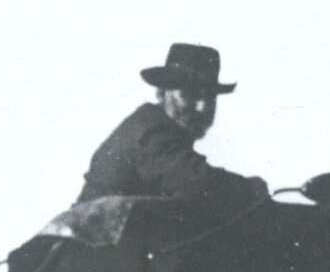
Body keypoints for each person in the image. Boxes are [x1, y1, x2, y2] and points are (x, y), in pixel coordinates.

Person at [79, 40, 268, 209]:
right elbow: (198, 183)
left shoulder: (160, 128)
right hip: (91, 247)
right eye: (190, 94)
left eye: (209, 97)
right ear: (163, 92)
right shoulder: (151, 131)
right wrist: (253, 187)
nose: (202, 107)